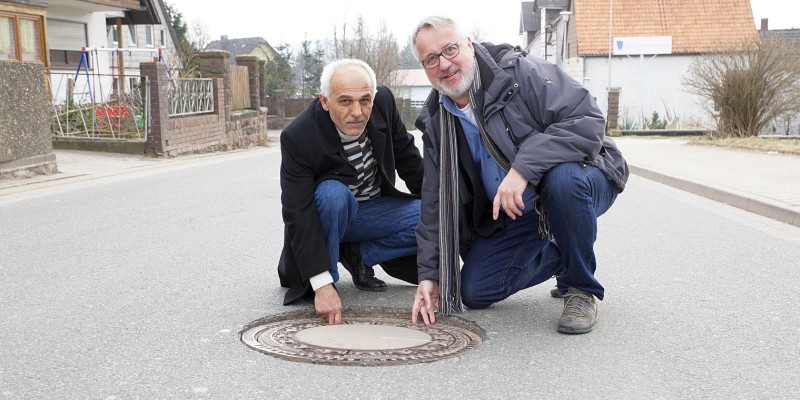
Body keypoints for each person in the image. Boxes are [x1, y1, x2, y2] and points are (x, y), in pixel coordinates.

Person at [409, 16, 629, 334]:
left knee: (561, 182)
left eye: (450, 49)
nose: (444, 64)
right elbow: (434, 203)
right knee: (475, 290)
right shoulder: (436, 122)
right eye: (431, 59)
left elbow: (587, 120)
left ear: (469, 44)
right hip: (519, 212)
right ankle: (564, 252)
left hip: (586, 175)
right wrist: (429, 275)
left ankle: (581, 288)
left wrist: (522, 169)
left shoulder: (516, 72)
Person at [278, 59, 424, 325]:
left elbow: (408, 159)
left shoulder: (384, 103)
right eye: (345, 101)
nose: (357, 111)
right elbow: (297, 212)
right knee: (333, 194)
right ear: (325, 101)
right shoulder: (299, 136)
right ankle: (328, 276)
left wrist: (446, 215)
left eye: (364, 100)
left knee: (437, 211)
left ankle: (360, 253)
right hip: (329, 215)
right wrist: (322, 286)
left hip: (372, 213)